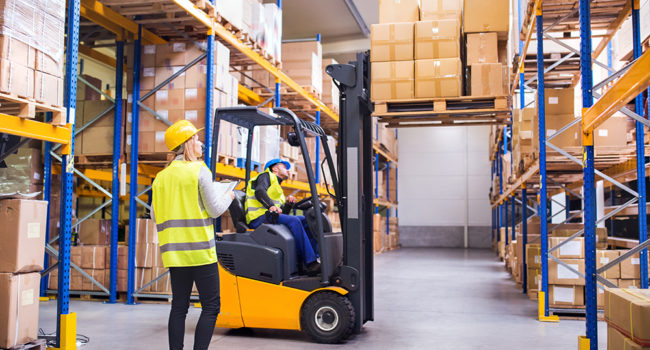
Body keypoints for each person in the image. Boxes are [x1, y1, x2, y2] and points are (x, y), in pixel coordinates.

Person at [151, 120, 234, 350]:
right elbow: (215, 209)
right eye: (196, 139)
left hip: (175, 254)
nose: (200, 143)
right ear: (186, 143)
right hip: (200, 253)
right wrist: (229, 197)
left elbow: (154, 215)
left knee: (179, 307)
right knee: (210, 306)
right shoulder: (200, 171)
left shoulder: (160, 178)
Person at [244, 158, 320, 273]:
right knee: (294, 221)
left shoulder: (277, 187)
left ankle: (316, 256)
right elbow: (259, 191)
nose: (288, 170)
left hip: (269, 217)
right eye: (284, 167)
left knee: (306, 219)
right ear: (274, 168)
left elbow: (282, 215)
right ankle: (310, 263)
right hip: (258, 218)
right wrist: (270, 206)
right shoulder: (265, 176)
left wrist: (288, 204)